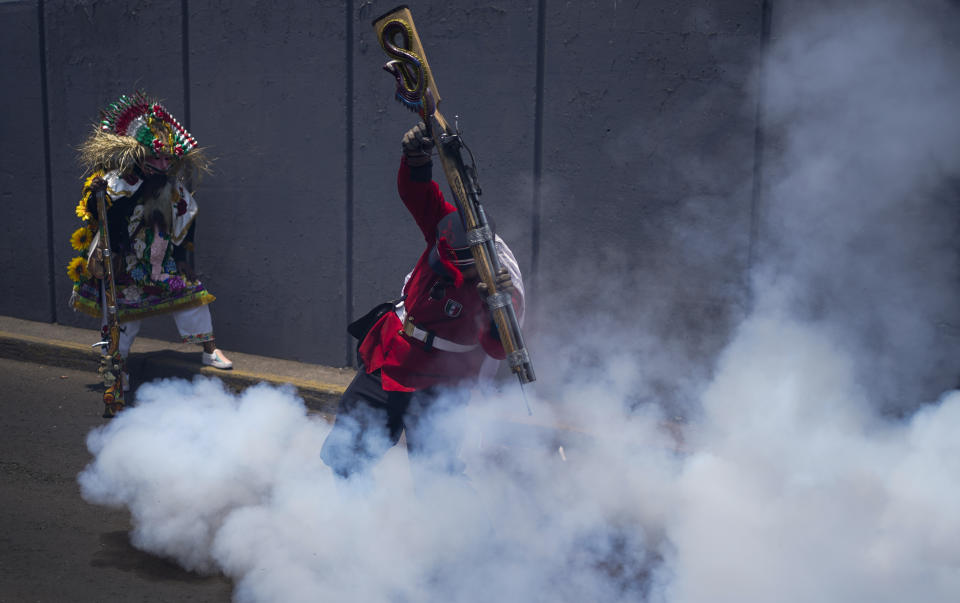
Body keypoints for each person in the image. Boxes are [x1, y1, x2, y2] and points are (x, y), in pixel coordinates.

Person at [320, 122, 525, 484]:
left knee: (436, 475)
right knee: (347, 450)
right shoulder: (448, 224)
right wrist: (416, 159)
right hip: (395, 353)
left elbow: (498, 348)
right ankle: (347, 524)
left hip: (444, 379)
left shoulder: (501, 281)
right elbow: (419, 194)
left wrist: (496, 308)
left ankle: (457, 538)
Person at [67, 91, 232, 392]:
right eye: (157, 156)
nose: (164, 163)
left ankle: (209, 350)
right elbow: (97, 212)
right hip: (125, 266)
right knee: (122, 319)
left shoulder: (172, 188)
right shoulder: (119, 182)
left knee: (194, 298)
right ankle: (118, 367)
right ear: (140, 156)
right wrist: (98, 196)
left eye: (168, 157)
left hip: (162, 265)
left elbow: (186, 219)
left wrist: (182, 259)